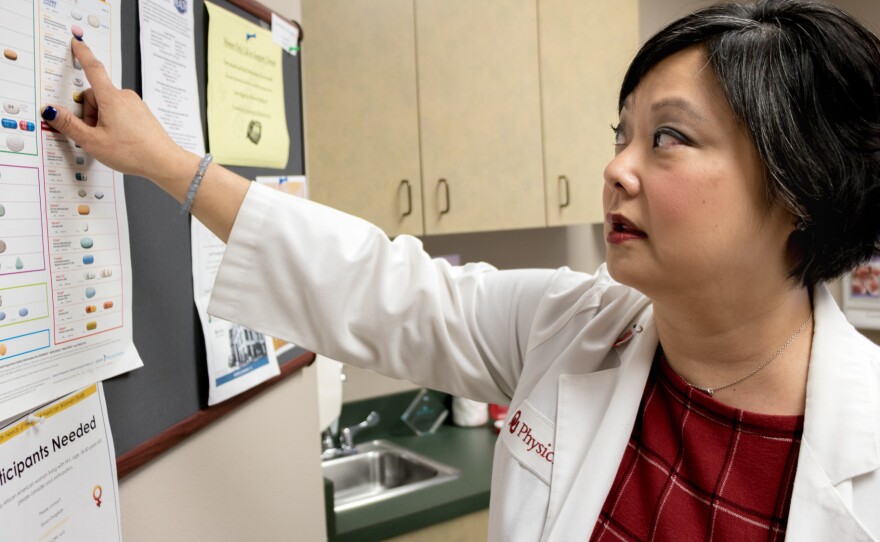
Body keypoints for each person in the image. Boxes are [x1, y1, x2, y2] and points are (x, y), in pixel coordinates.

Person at [41, 0, 880, 540]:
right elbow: (378, 288)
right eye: (620, 134)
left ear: (799, 190)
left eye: (667, 137)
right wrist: (167, 164)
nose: (618, 169)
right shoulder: (571, 328)